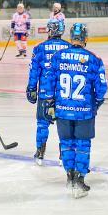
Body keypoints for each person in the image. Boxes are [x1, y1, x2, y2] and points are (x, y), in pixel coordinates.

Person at [42, 23, 107, 198]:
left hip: (63, 110)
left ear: (71, 38)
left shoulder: (57, 57)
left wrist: (49, 103)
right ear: (85, 38)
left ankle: (69, 176)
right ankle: (80, 178)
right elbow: (101, 89)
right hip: (84, 111)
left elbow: (49, 84)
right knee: (83, 144)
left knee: (67, 143)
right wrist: (97, 103)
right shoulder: (94, 59)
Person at [26, 18, 70, 165]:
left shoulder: (40, 48)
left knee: (42, 123)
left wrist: (32, 88)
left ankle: (40, 153)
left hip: (46, 93)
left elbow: (34, 71)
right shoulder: (69, 48)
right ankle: (64, 155)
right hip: (63, 95)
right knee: (63, 125)